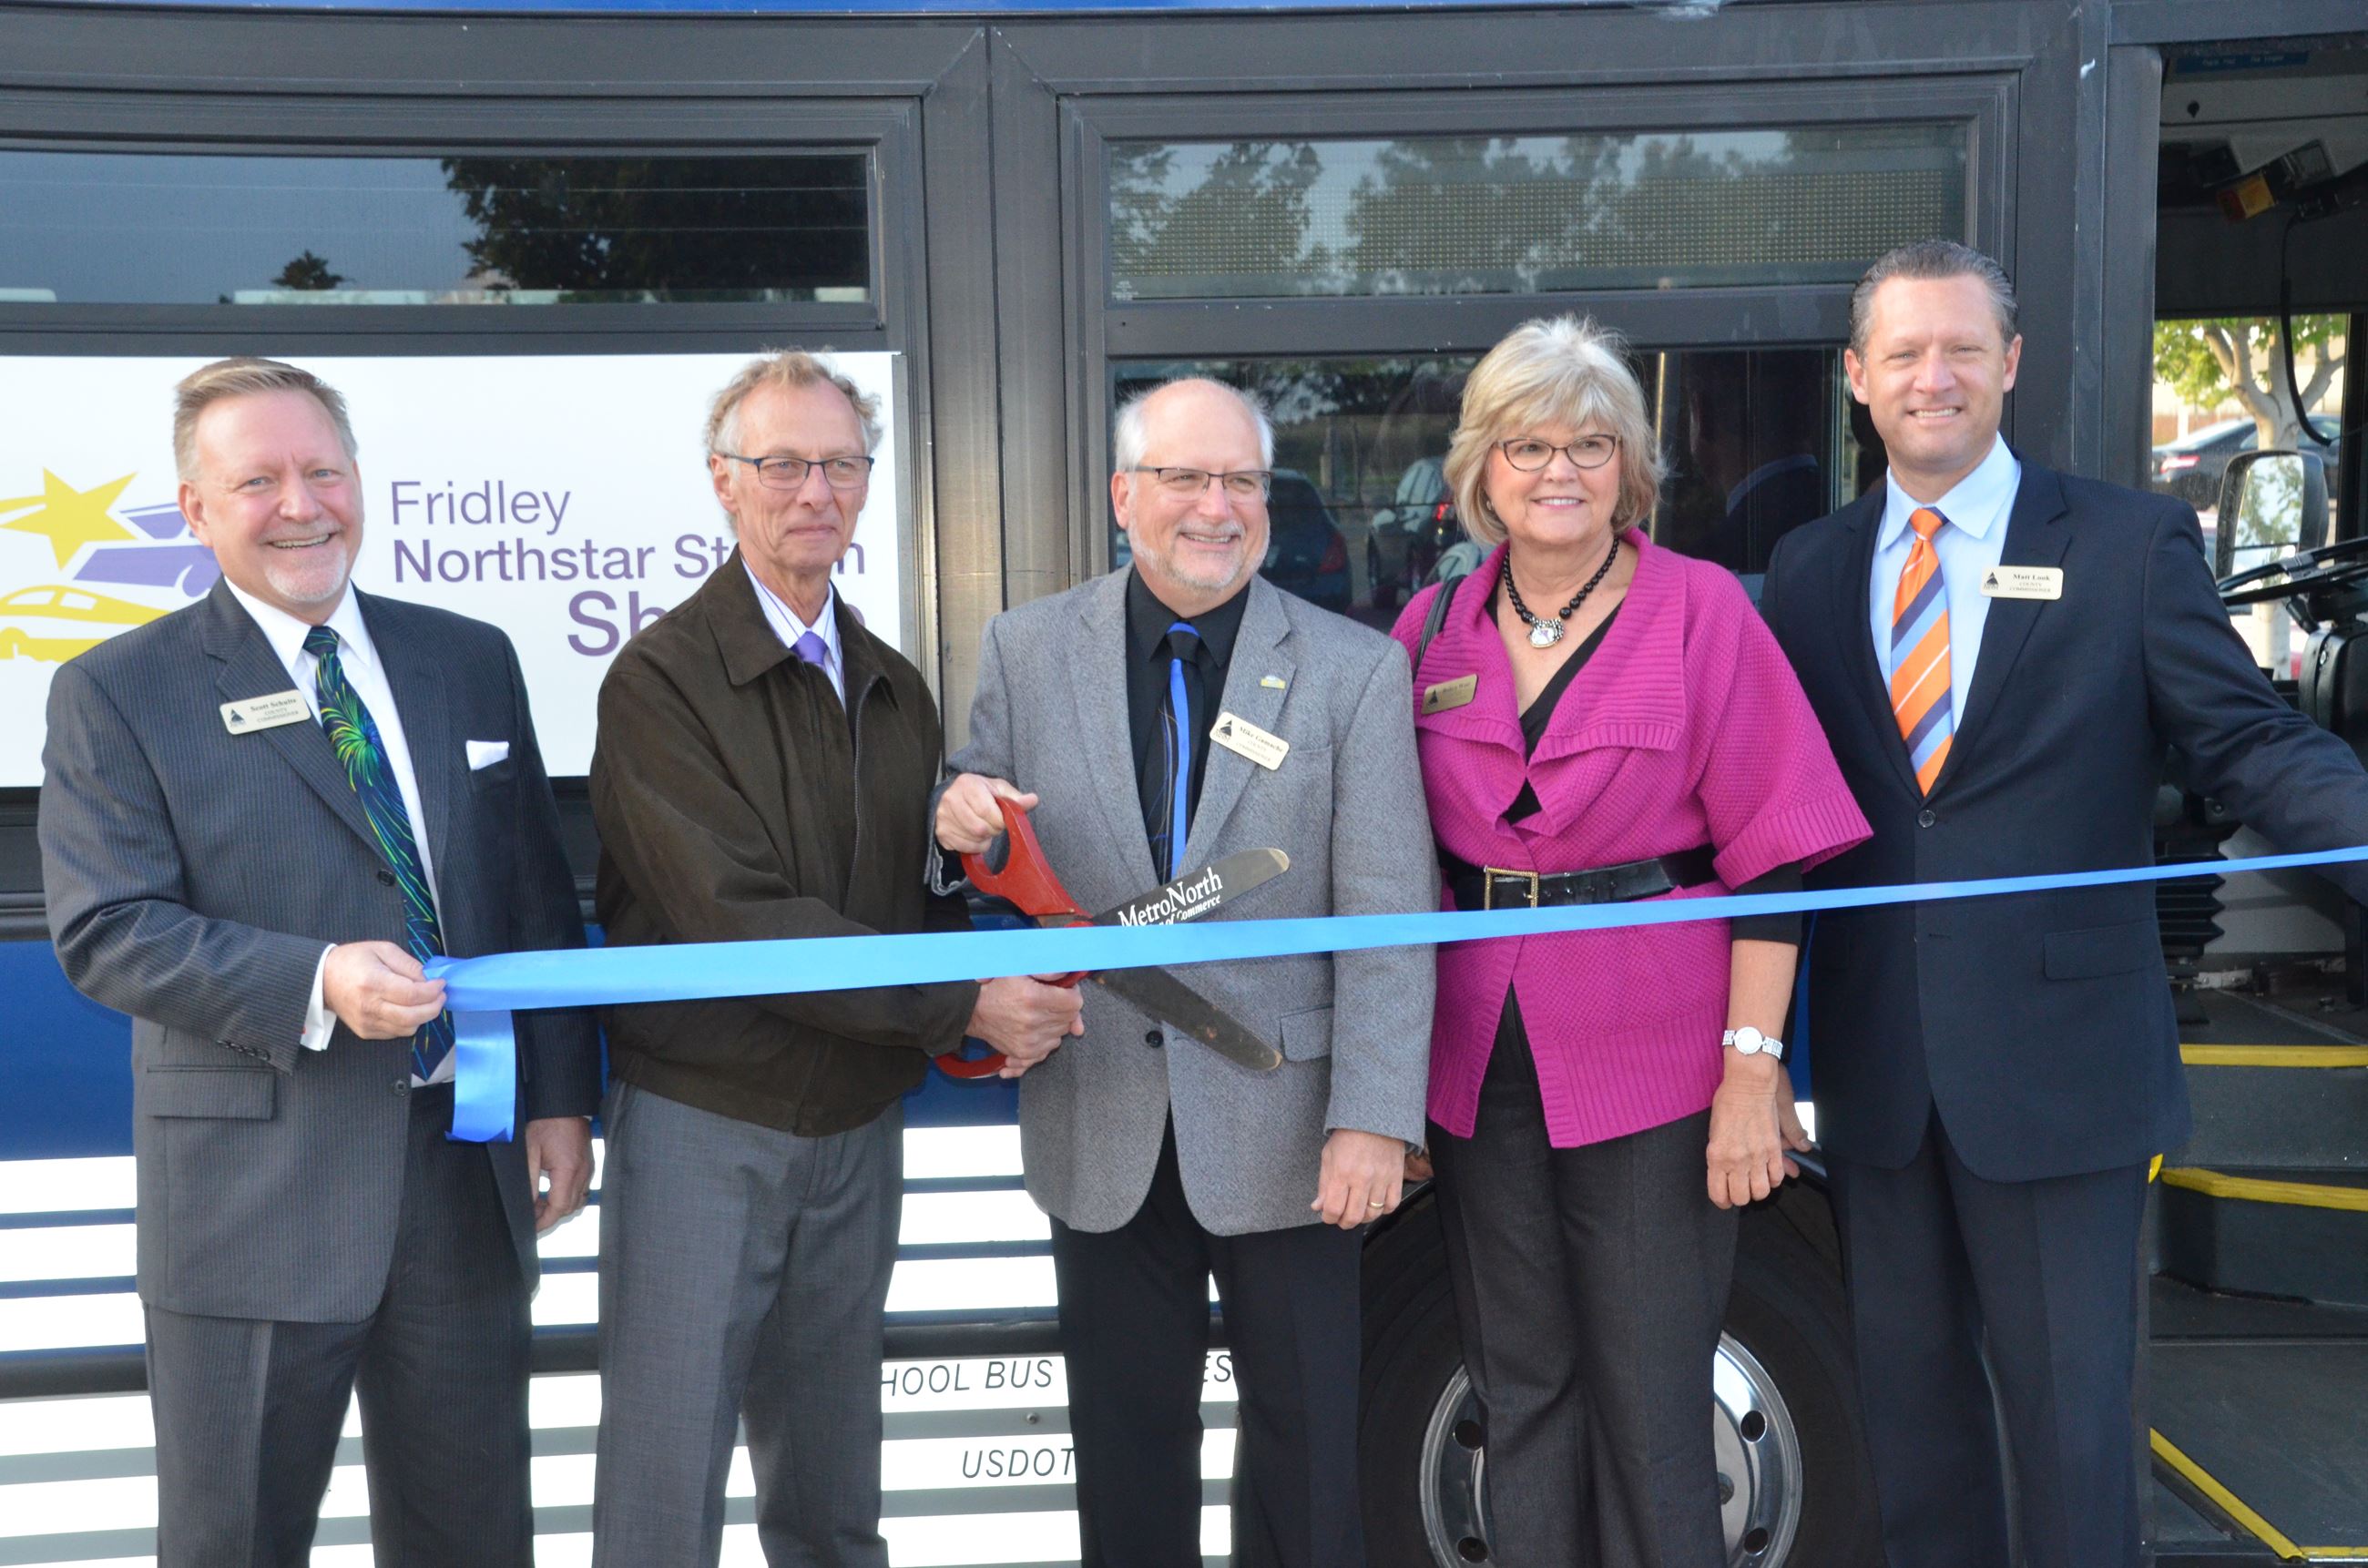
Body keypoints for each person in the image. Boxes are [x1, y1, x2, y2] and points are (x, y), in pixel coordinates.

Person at [1759, 239, 2368, 1568]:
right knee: (1913, 1438)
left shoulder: (2130, 541)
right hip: (1878, 1075)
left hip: (2064, 1076)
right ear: (1859, 378)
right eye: (1906, 353)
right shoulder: (1807, 568)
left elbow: (2250, 742)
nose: (1937, 377)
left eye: (1963, 348)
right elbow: (1774, 808)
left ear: (2012, 365)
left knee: (2075, 1445)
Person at [38, 356, 600, 1566]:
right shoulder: (116, 693)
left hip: (464, 1182)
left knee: (476, 1537)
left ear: (360, 482)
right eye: (259, 480)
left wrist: (560, 1096)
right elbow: (108, 927)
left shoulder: (468, 656)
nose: (302, 504)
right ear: (197, 510)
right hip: (253, 1205)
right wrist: (315, 980)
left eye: (324, 471)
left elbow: (532, 895)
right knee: (235, 1540)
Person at [587, 350, 1082, 1567]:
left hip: (855, 1132)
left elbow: (910, 907)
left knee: (831, 1494)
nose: (816, 490)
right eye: (784, 464)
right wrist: (963, 999)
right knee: (665, 1490)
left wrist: (961, 857)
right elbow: (737, 916)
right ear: (725, 481)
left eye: (841, 464)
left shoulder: (894, 687)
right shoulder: (658, 680)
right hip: (709, 1126)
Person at [931, 376, 1434, 1568]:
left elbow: (1388, 913)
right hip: (1099, 1118)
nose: (1216, 507)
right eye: (1185, 479)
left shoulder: (1353, 671)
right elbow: (976, 838)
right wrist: (954, 815)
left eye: (1242, 482)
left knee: (1310, 1465)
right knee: (1126, 1461)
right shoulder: (1027, 645)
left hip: (1294, 1131)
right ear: (1123, 496)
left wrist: (1372, 1117)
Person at [1391, 315, 1869, 1565]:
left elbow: (1779, 852)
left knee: (1656, 1403)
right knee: (1521, 1390)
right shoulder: (1428, 630)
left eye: (1592, 444)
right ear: (1481, 470)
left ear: (1633, 468)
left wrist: (1751, 1076)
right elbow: (1372, 852)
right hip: (1474, 1061)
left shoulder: (1703, 611)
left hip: (1656, 1064)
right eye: (1528, 443)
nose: (1560, 470)